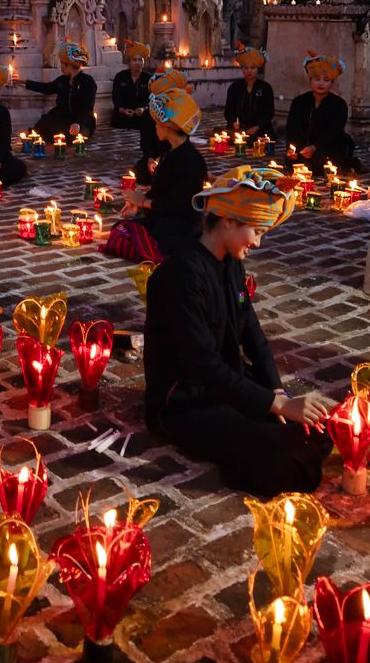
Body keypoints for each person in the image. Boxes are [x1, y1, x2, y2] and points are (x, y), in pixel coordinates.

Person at [142, 165, 335, 496]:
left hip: (226, 382)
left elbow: (252, 332)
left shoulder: (231, 262)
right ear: (228, 221)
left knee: (319, 431)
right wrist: (277, 407)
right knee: (292, 463)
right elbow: (202, 364)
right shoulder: (181, 275)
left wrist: (277, 393)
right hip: (186, 402)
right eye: (256, 230)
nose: (258, 243)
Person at [123, 85, 207, 252]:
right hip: (163, 219)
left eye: (157, 123)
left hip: (179, 226)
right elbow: (161, 192)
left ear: (168, 126)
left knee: (135, 238)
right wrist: (138, 204)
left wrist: (144, 202)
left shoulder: (190, 160)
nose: (155, 127)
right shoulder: (170, 152)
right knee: (122, 228)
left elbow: (178, 205)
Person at [282, 53, 357, 174]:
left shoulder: (339, 104)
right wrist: (291, 149)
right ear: (310, 80)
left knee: (322, 162)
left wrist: (314, 147)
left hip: (328, 146)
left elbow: (335, 132)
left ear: (332, 82)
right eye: (317, 79)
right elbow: (292, 128)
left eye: (326, 80)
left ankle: (353, 164)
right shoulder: (299, 101)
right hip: (304, 147)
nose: (321, 84)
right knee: (295, 163)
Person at [23, 39, 98, 139]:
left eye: (63, 63)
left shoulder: (87, 81)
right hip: (63, 118)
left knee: (73, 135)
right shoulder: (62, 80)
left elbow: (87, 108)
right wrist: (24, 82)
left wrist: (78, 124)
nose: (61, 67)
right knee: (46, 122)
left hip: (81, 120)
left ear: (70, 65)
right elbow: (47, 88)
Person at [106, 40, 157, 166]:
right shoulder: (121, 77)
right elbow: (116, 97)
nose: (137, 63)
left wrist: (144, 109)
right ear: (129, 62)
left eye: (140, 60)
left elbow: (153, 99)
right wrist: (122, 109)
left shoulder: (149, 78)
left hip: (142, 113)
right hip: (124, 113)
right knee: (116, 119)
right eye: (134, 60)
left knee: (148, 121)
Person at [223, 43, 277, 140]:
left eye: (253, 68)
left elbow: (269, 112)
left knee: (261, 139)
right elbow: (228, 111)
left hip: (260, 129)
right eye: (246, 68)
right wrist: (233, 122)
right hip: (239, 128)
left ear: (258, 69)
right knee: (227, 136)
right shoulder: (234, 87)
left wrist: (258, 126)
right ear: (242, 69)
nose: (249, 71)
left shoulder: (265, 88)